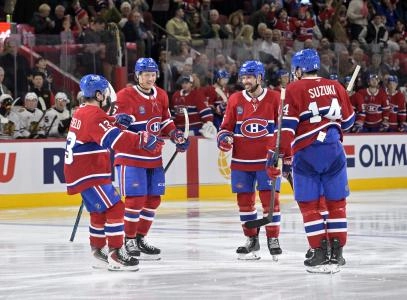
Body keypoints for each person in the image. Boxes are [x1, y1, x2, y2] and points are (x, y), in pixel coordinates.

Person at [267, 48, 355, 273]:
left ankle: (318, 251)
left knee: (309, 205)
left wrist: (277, 157)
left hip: (307, 153)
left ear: (298, 69)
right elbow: (348, 122)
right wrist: (343, 98)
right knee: (336, 204)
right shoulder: (336, 87)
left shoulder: (293, 88)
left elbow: (286, 130)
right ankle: (337, 253)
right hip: (334, 151)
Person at [64, 74, 148, 271]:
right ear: (99, 95)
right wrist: (142, 140)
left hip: (82, 171)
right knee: (116, 208)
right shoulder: (94, 115)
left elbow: (96, 131)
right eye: (107, 95)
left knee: (99, 210)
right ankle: (116, 253)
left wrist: (114, 121)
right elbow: (115, 140)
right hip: (90, 172)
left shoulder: (82, 111)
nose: (110, 99)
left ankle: (98, 250)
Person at [112, 58, 189, 260]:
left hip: (154, 157)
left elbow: (165, 122)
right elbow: (117, 128)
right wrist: (120, 122)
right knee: (135, 199)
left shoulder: (161, 95)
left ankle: (140, 238)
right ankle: (128, 239)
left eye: (153, 74)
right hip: (131, 157)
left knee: (153, 199)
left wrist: (175, 135)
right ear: (137, 75)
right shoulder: (125, 95)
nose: (150, 78)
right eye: (146, 74)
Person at [216, 60, 283, 260]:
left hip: (266, 161)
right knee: (245, 203)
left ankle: (273, 238)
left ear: (260, 77)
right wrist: (224, 139)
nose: (245, 81)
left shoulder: (275, 98)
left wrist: (280, 154)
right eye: (243, 77)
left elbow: (282, 130)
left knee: (271, 202)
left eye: (250, 77)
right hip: (241, 162)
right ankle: (251, 239)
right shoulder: (235, 99)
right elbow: (226, 127)